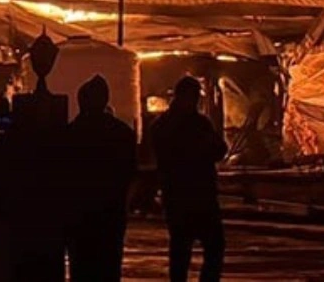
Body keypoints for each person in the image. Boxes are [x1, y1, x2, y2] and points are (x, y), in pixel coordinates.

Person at [150, 76, 228, 282]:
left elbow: (219, 149)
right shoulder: (195, 124)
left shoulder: (164, 124)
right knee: (208, 246)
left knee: (183, 251)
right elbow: (218, 149)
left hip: (181, 196)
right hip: (195, 196)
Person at [65, 75, 137, 282]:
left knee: (81, 268)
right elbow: (130, 172)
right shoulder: (122, 133)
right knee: (109, 267)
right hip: (110, 215)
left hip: (79, 215)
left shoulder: (71, 134)